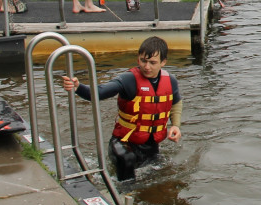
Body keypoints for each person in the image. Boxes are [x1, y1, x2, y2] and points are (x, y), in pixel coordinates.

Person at [61, 36, 182, 180]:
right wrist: (78, 87)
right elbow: (99, 92)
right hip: (122, 143)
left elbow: (175, 102)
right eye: (143, 61)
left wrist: (175, 125)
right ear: (138, 59)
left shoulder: (170, 81)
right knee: (127, 160)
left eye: (152, 62)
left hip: (150, 145)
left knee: (162, 175)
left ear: (163, 62)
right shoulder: (128, 80)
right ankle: (124, 197)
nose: (147, 66)